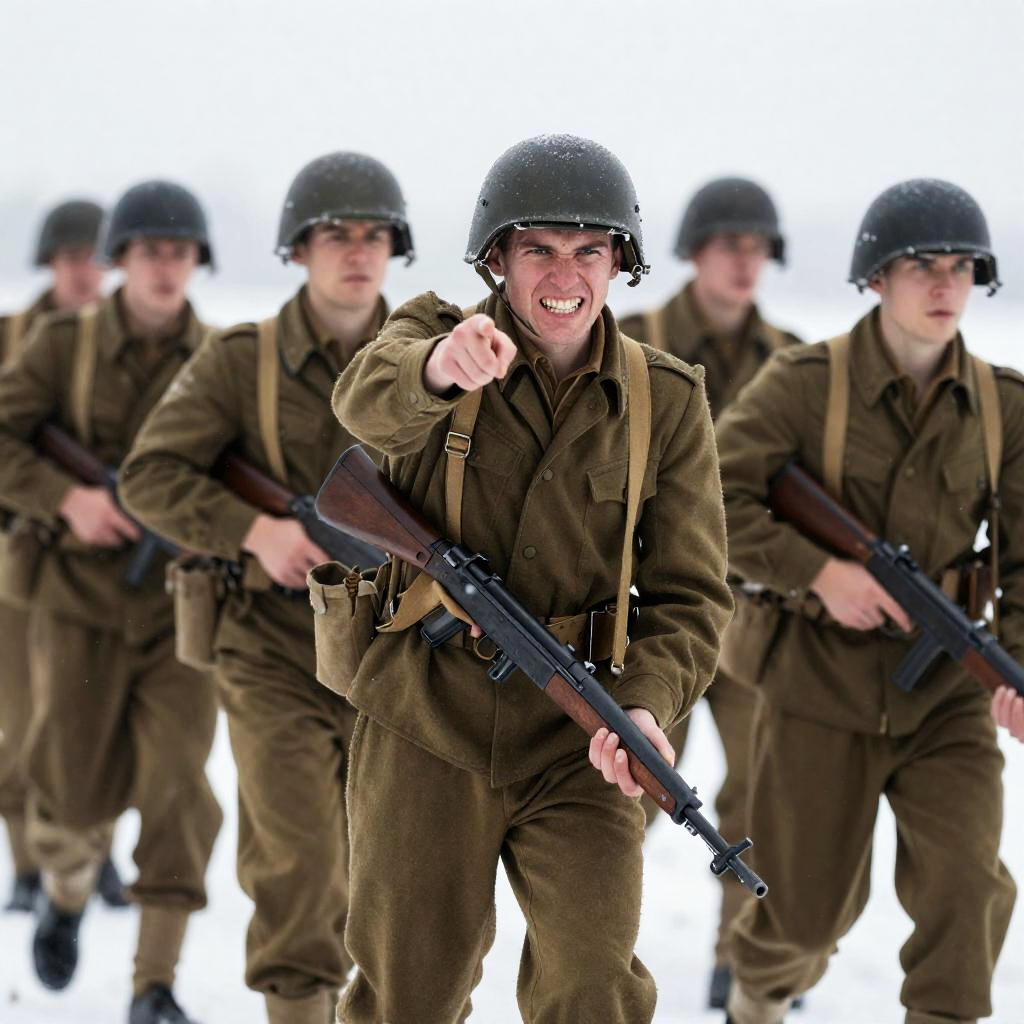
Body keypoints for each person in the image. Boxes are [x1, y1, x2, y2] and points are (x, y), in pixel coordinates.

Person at [328, 134, 733, 1023]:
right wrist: (440, 370)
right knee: (408, 995)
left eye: (589, 250)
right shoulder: (432, 336)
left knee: (594, 984)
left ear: (619, 263)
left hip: (581, 732)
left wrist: (646, 706)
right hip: (427, 719)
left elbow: (692, 593)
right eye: (538, 249)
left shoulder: (665, 398)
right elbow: (364, 401)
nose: (564, 274)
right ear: (497, 260)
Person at [715, 178, 1020, 1024]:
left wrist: (1016, 672)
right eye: (923, 266)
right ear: (877, 277)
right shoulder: (803, 385)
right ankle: (757, 1000)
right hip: (817, 685)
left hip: (947, 690)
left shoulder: (1005, 407)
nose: (945, 285)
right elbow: (709, 501)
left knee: (966, 889)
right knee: (801, 918)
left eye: (961, 267)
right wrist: (816, 570)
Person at [120, 152, 414, 1024]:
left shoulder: (430, 362)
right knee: (297, 856)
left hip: (398, 653)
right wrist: (256, 531)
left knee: (390, 868)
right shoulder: (240, 360)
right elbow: (150, 476)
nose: (356, 252)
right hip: (272, 644)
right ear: (298, 250)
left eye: (374, 236)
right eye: (336, 234)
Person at [0, 180, 223, 1024]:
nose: (165, 267)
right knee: (69, 791)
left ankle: (152, 983)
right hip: (77, 605)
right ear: (120, 259)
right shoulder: (64, 346)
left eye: (180, 252)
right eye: (149, 252)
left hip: (180, 614)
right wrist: (67, 499)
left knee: (179, 792)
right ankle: (63, 891)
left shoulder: (225, 357)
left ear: (198, 261)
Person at [619, 177, 799, 1009]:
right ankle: (596, 955)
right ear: (695, 250)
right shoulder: (631, 342)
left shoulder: (793, 360)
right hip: (650, 612)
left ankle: (741, 961)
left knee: (763, 794)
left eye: (757, 246)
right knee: (631, 793)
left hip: (756, 613)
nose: (744, 261)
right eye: (730, 244)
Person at [0, 198, 129, 913]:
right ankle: (28, 862)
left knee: (96, 720)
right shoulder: (11, 338)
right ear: (50, 260)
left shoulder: (120, 342)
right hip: (15, 566)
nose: (85, 272)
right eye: (72, 256)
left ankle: (94, 854)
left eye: (96, 257)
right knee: (25, 722)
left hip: (101, 565)